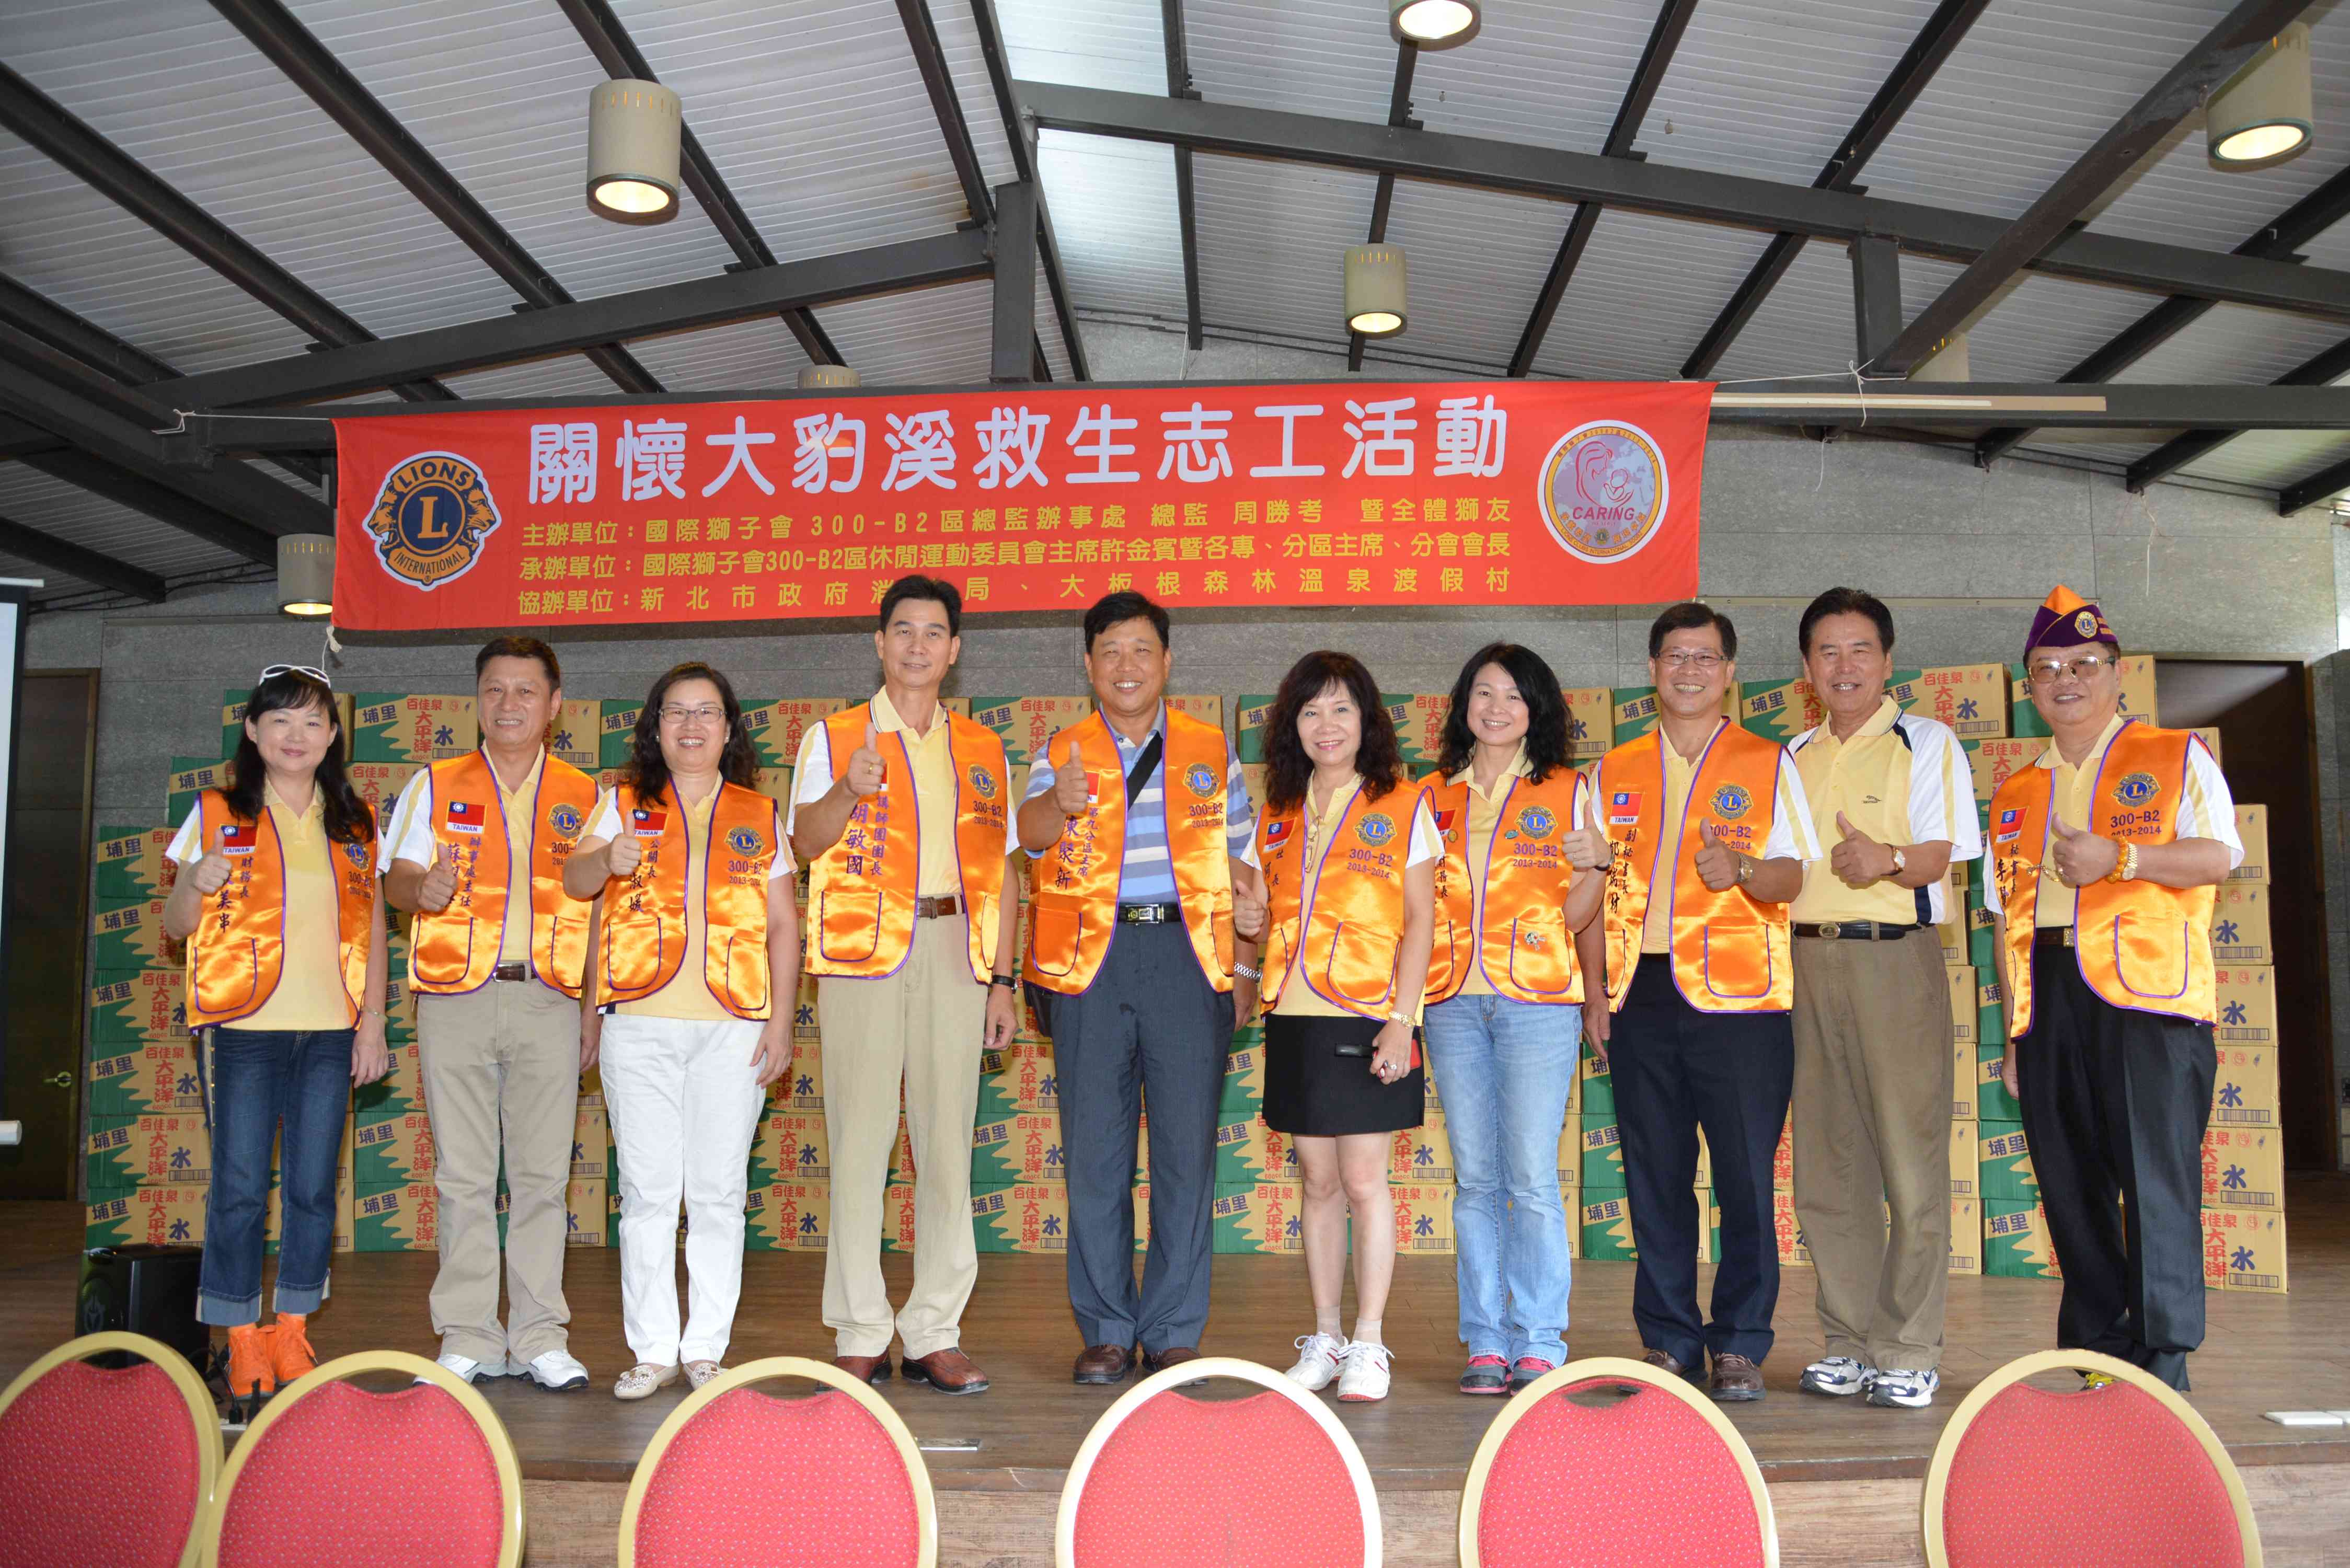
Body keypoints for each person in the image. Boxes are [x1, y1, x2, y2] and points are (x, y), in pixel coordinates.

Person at [1987, 586, 2238, 1391]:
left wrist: (2122, 860)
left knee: (2154, 1178)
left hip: (2147, 1001)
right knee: (2069, 1180)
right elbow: (2003, 920)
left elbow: (2217, 857)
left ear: (2118, 672)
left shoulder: (2173, 756)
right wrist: (2015, 1032)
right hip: (2050, 994)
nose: (2066, 680)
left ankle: (2163, 1359)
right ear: (2029, 687)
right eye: (2046, 669)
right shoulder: (2017, 791)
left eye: (2083, 665)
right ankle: (2098, 1347)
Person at [1015, 592, 1261, 1385]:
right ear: (1088, 664)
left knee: (1188, 1152)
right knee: (1096, 1152)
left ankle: (1173, 1327)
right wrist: (1056, 802)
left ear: (1167, 662)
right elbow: (1029, 839)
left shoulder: (1209, 750)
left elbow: (1245, 865)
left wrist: (1247, 964)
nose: (1127, 666)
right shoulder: (1063, 748)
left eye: (1142, 650)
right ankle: (1107, 1329)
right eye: (1111, 651)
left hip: (1187, 958)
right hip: (1092, 962)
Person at [1586, 603, 1821, 1402]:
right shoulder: (1612, 771)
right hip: (1640, 994)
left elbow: (1795, 875)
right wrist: (1595, 992)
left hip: (1743, 999)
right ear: (1652, 670)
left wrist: (1745, 870)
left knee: (1746, 1175)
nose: (1690, 670)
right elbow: (1589, 893)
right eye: (1676, 657)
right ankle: (1669, 1339)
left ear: (1730, 673)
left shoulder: (1768, 761)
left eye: (1706, 657)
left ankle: (1741, 1342)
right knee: (1654, 1173)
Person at [789, 576, 1015, 1396]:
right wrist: (848, 788)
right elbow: (803, 842)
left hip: (956, 948)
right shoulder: (834, 737)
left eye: (934, 633)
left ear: (954, 651)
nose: (918, 645)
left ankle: (933, 1331)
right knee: (859, 1140)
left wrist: (1002, 980)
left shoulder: (983, 748)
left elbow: (1005, 871)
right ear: (879, 643)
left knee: (948, 1142)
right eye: (904, 630)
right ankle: (859, 1328)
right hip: (862, 955)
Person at [563, 662, 797, 1400]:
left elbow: (784, 925)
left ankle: (706, 1349)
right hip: (639, 1024)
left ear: (729, 729)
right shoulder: (620, 803)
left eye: (706, 712)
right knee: (648, 1193)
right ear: (655, 727)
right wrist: (604, 858)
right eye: (676, 712)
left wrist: (782, 1023)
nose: (691, 725)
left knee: (720, 1193)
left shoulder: (759, 813)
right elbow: (576, 886)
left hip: (735, 1026)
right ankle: (654, 1348)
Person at [162, 665, 389, 1408]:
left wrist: (372, 1022)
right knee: (237, 1190)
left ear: (333, 737)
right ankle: (239, 1335)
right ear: (253, 731)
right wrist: (193, 882)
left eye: (313, 721)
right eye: (281, 720)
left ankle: (291, 1329)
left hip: (330, 1031)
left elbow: (374, 928)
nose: (297, 735)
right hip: (244, 1030)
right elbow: (175, 926)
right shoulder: (217, 811)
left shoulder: (355, 821)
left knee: (314, 1189)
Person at [1781, 591, 1982, 1411]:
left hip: (1893, 959)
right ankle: (1849, 1341)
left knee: (1910, 1163)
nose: (1844, 666)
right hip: (1803, 963)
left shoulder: (1925, 741)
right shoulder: (1792, 753)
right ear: (1806, 669)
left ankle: (1908, 1348)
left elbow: (1940, 854)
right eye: (1827, 652)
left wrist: (1887, 859)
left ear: (1889, 661)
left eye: (1860, 649)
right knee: (1828, 1168)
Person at [382, 637, 596, 1391]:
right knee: (464, 1175)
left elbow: (606, 915)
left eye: (526, 691)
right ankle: (468, 1333)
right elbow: (396, 878)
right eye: (495, 690)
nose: (510, 704)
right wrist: (420, 890)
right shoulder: (434, 784)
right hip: (456, 998)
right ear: (478, 701)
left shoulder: (585, 794)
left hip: (551, 998)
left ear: (555, 704)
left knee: (542, 1177)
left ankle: (540, 1335)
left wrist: (593, 1011)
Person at [1246, 650, 1441, 1405]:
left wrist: (1402, 1021)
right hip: (1294, 1014)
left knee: (1364, 1181)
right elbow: (1258, 911)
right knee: (1319, 1181)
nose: (1325, 725)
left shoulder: (1403, 803)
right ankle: (1325, 1338)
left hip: (1367, 1014)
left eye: (1341, 709)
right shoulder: (1278, 812)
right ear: (1292, 725)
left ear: (1367, 721)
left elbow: (1421, 921)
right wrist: (1249, 920)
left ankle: (1369, 1340)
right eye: (1310, 711)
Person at [1420, 643, 1609, 1397]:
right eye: (1484, 693)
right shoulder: (1429, 794)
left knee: (1529, 1177)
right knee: (1475, 1178)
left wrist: (1597, 865)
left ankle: (1538, 1338)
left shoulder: (1571, 790)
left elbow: (1580, 914)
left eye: (1514, 696)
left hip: (1537, 1000)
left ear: (1539, 709)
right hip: (1450, 1001)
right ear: (1464, 703)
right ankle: (1485, 1339)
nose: (1496, 709)